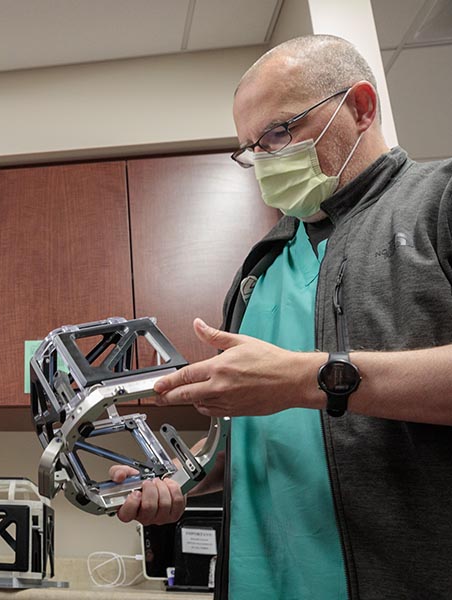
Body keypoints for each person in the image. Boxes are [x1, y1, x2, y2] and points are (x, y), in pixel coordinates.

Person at [112, 35, 452, 600]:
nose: (265, 158)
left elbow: (300, 388)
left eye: (278, 132)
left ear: (361, 107)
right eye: (251, 148)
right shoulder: (260, 266)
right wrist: (180, 476)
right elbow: (253, 440)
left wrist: (306, 379)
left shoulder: (436, 203)